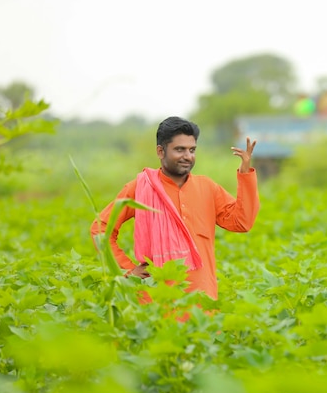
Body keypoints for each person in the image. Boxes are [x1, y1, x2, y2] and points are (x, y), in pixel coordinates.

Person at [90, 116, 260, 301]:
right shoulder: (140, 187)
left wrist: (245, 173)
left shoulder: (207, 188)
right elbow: (100, 229)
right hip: (155, 302)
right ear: (160, 151)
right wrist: (126, 270)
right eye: (180, 149)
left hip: (201, 301)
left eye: (192, 150)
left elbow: (241, 222)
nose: (187, 156)